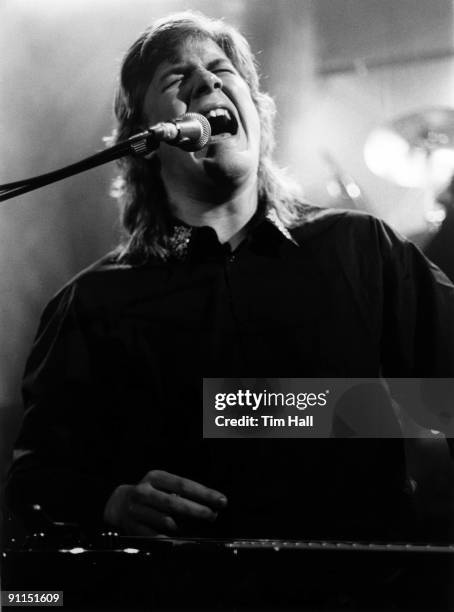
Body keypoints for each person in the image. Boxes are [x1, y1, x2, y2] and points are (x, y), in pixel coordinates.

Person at [6, 11, 454, 543]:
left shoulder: (362, 248)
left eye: (222, 70)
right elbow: (34, 480)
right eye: (176, 78)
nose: (207, 81)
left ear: (258, 116)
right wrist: (111, 501)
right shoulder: (91, 303)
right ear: (142, 140)